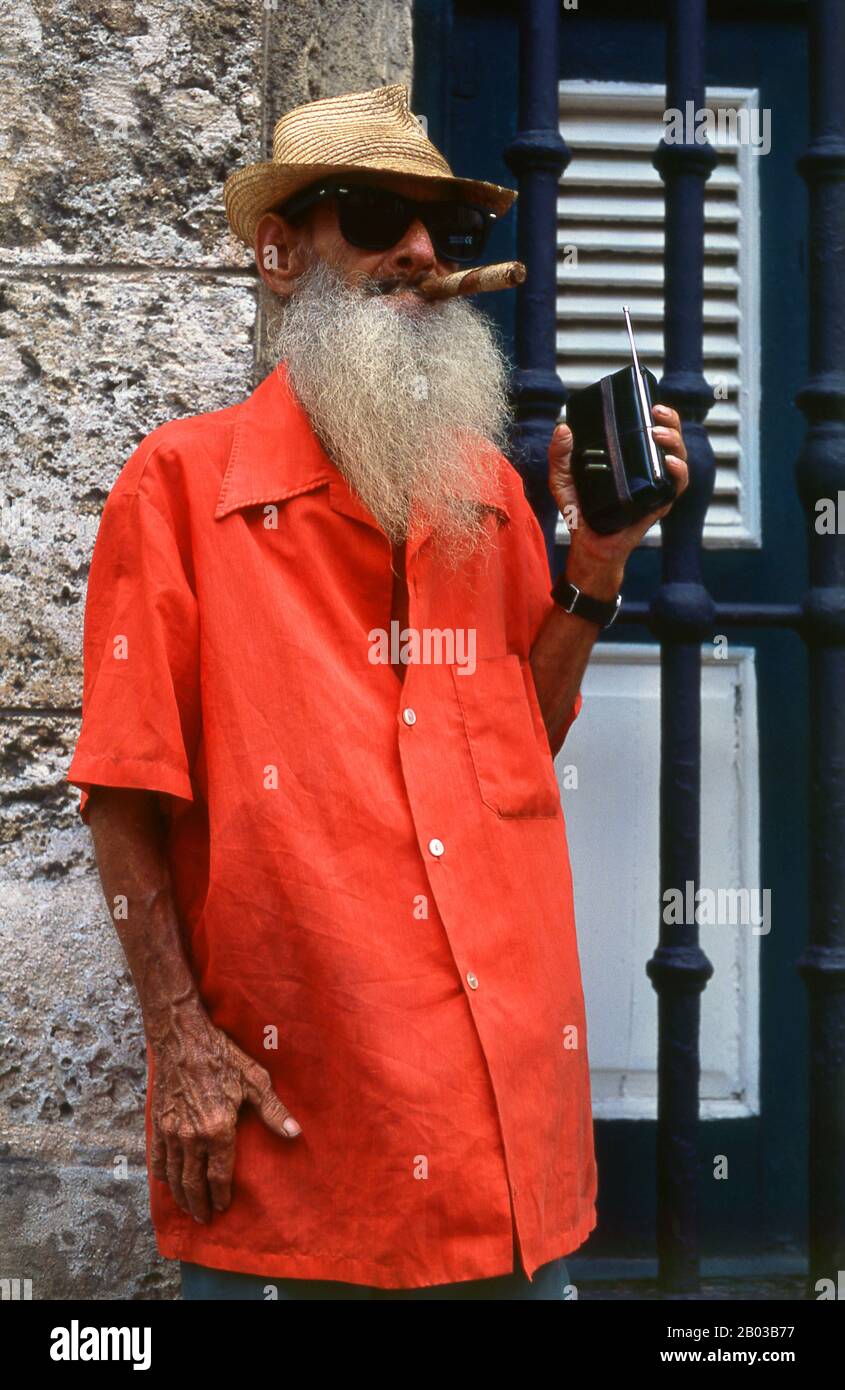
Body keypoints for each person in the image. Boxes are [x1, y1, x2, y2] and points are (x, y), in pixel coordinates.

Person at [66, 83, 688, 1301]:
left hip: (504, 1130)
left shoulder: (484, 492)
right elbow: (122, 791)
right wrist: (180, 1043)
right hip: (309, 1136)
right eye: (373, 215)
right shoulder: (180, 489)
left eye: (441, 232)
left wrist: (596, 565)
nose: (417, 252)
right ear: (281, 253)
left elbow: (524, 725)